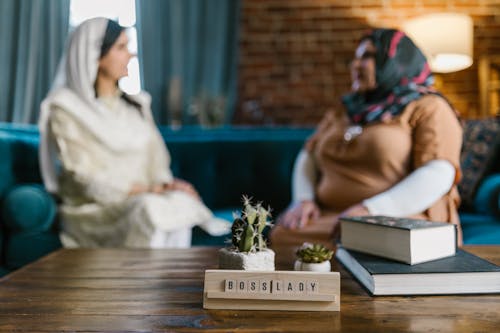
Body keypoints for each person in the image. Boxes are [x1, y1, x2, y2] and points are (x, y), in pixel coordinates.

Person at [38, 18, 229, 248]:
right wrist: (150, 190)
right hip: (97, 210)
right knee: (150, 208)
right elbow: (82, 178)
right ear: (94, 56)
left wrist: (168, 185)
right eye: (121, 47)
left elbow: (157, 163)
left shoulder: (137, 106)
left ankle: (171, 281)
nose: (130, 55)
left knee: (180, 202)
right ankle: (145, 282)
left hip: (144, 199)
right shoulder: (65, 109)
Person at [270, 28, 463, 248]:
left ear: (397, 61)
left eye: (367, 57)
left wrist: (371, 210)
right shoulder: (345, 109)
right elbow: (309, 155)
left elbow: (439, 173)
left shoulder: (430, 107)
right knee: (283, 235)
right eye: (356, 57)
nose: (355, 65)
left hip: (400, 218)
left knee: (376, 245)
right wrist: (303, 199)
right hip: (332, 217)